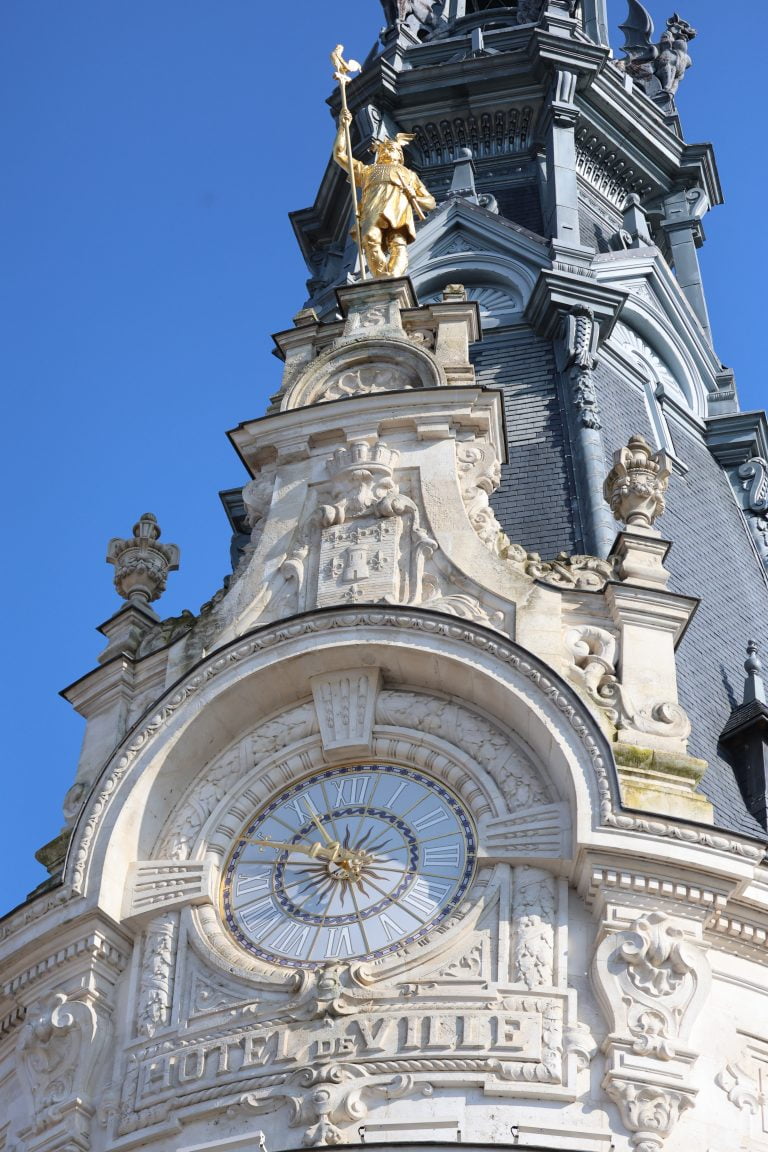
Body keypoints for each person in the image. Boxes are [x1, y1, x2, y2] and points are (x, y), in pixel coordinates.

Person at [334, 108, 436, 278]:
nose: (386, 151)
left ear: (399, 155)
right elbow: (340, 155)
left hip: (399, 212)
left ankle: (393, 277)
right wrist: (344, 128)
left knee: (398, 244)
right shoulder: (367, 170)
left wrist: (414, 195)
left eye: (392, 149)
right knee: (369, 237)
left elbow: (430, 203)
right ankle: (382, 277)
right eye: (384, 149)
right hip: (373, 210)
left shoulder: (409, 175)